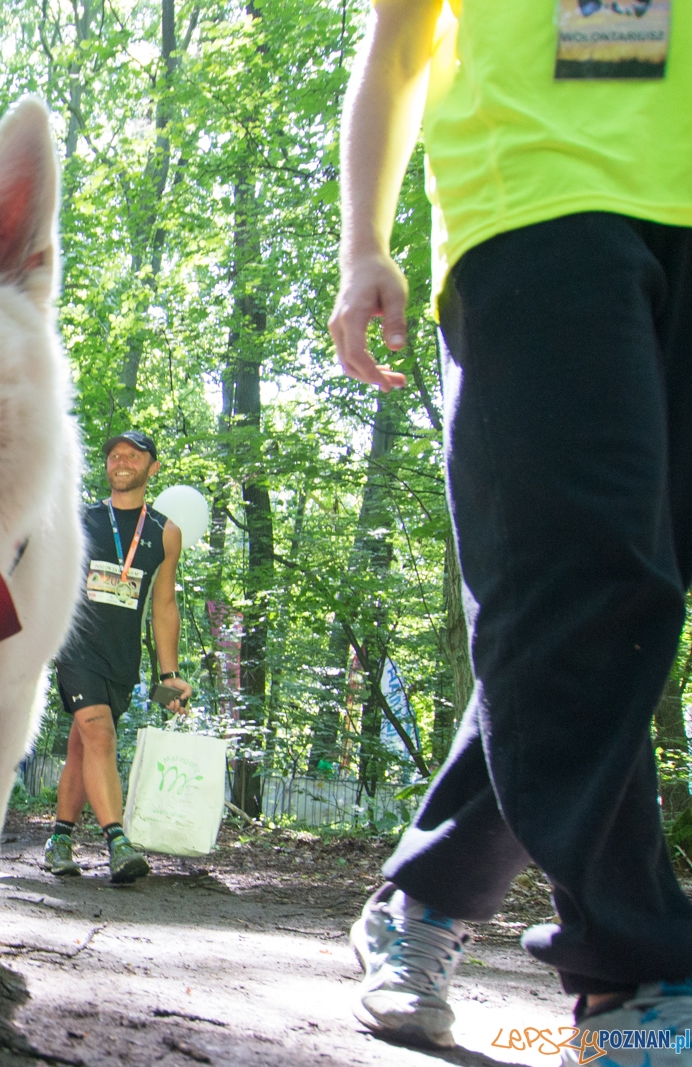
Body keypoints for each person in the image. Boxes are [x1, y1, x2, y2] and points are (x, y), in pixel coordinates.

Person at [328, 0, 692, 1056]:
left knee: (605, 599)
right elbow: (393, 49)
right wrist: (364, 244)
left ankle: (425, 892)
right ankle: (634, 970)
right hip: (536, 201)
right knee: (590, 583)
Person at [44, 431, 190, 884]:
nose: (120, 460)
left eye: (133, 454)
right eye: (113, 455)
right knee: (99, 734)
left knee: (83, 745)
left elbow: (163, 606)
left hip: (121, 658)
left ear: (153, 468)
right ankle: (117, 843)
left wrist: (169, 675)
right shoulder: (81, 520)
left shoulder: (165, 533)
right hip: (75, 646)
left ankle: (60, 839)